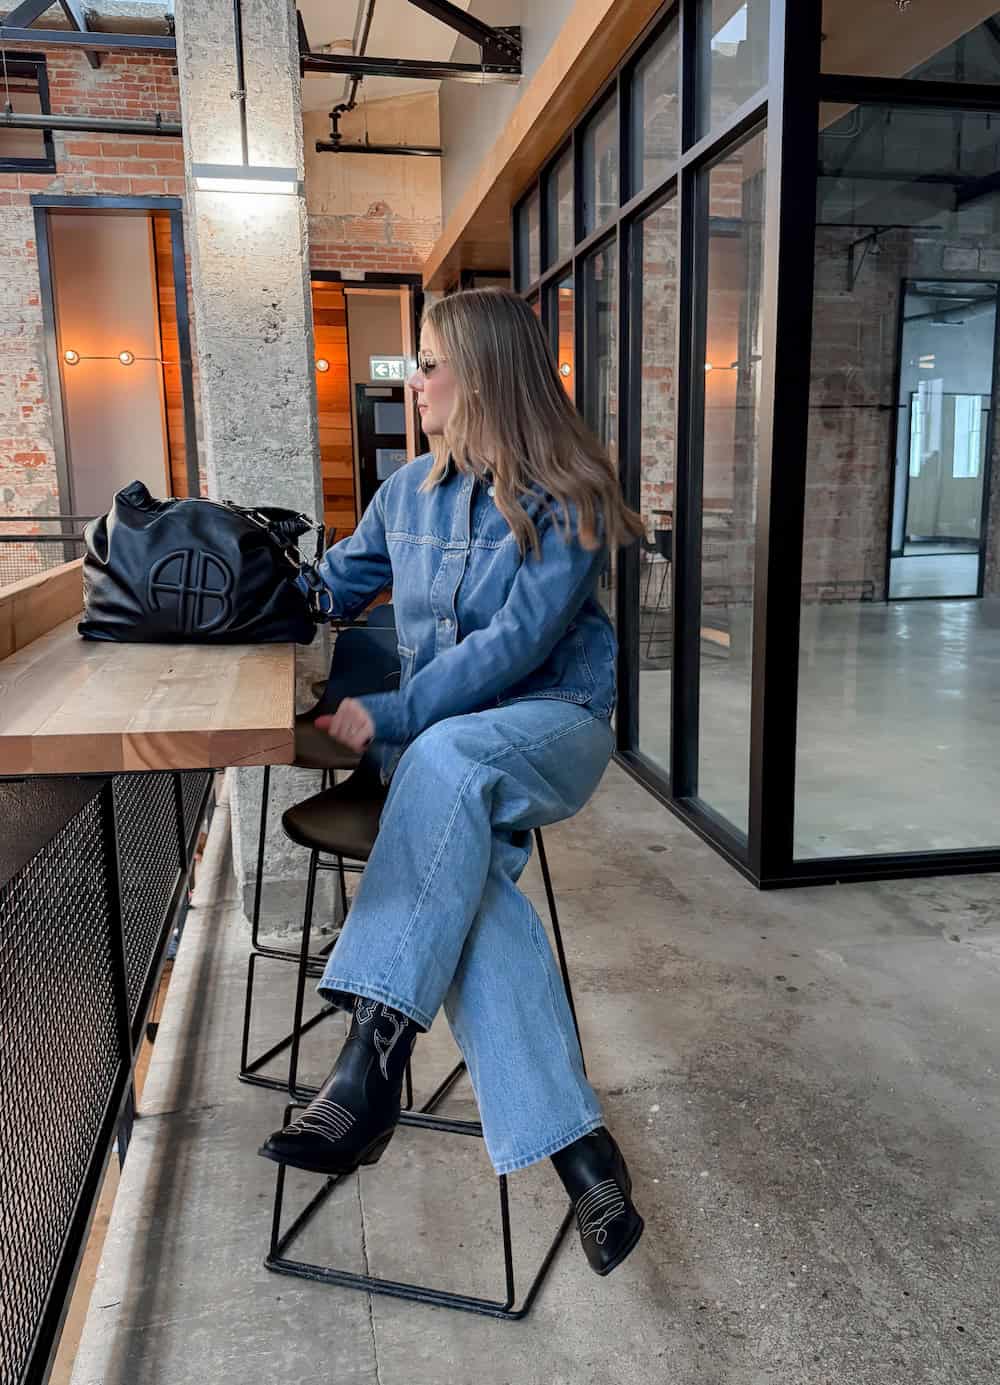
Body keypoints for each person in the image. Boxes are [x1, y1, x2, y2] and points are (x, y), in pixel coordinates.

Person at [259, 288, 646, 1277]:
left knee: (439, 759)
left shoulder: (571, 497)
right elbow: (326, 589)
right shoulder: (406, 494)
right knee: (465, 892)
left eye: (428, 363)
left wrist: (393, 712)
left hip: (552, 725)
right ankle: (582, 1153)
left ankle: (370, 1064)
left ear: (482, 376)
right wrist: (228, 570)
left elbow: (513, 647)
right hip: (449, 759)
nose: (413, 381)